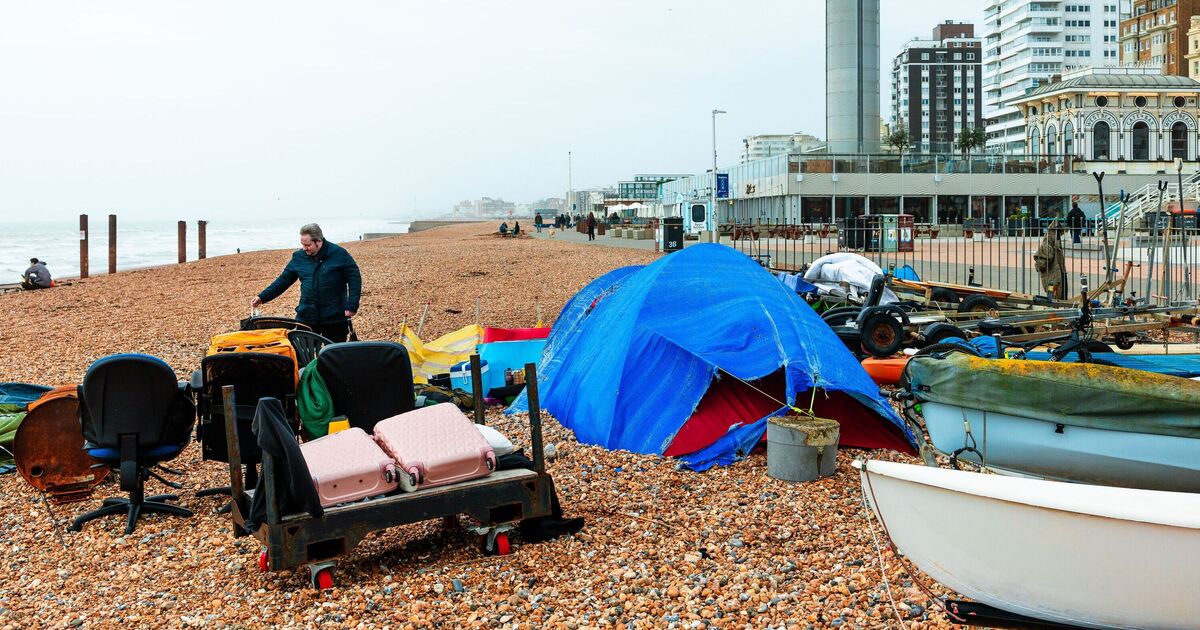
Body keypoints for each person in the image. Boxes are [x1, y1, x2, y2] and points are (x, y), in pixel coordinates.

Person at [251, 223, 361, 342]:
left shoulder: (339, 254)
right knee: (301, 351)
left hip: (334, 317)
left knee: (333, 352)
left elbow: (355, 279)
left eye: (308, 245)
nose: (304, 248)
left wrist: (352, 305)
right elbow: (283, 280)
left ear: (319, 241)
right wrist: (262, 297)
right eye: (302, 244)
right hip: (306, 317)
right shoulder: (299, 257)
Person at [1034, 225, 1068, 300]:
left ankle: (1054, 303)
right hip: (1053, 276)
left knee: (1056, 294)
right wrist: (1038, 265)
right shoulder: (1050, 239)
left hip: (1057, 275)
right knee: (1053, 294)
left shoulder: (1054, 239)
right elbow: (1045, 257)